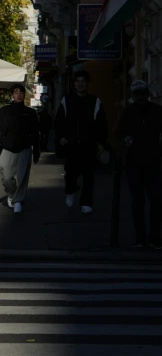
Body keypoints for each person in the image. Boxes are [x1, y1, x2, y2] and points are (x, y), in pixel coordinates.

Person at [115, 80, 162, 249]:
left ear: (147, 94)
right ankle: (141, 237)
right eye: (137, 94)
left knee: (156, 200)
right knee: (138, 201)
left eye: (143, 93)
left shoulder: (157, 112)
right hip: (134, 163)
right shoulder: (128, 113)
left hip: (154, 162)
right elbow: (117, 135)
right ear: (132, 96)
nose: (140, 96)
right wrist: (124, 145)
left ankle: (154, 237)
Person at [54, 69, 107, 214]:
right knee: (71, 173)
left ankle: (86, 203)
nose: (80, 84)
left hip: (89, 144)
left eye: (83, 81)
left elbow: (101, 123)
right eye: (78, 82)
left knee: (89, 176)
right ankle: (70, 191)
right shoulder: (67, 100)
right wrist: (61, 136)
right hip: (71, 145)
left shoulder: (95, 101)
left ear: (87, 84)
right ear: (74, 84)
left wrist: (101, 142)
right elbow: (59, 121)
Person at [0, 83, 40, 213]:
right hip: (8, 148)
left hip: (25, 148)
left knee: (22, 176)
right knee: (6, 176)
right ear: (12, 95)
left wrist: (36, 151)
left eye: (21, 92)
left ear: (24, 95)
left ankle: (18, 200)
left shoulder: (30, 113)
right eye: (16, 92)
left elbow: (36, 133)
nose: (19, 95)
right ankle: (12, 194)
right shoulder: (5, 111)